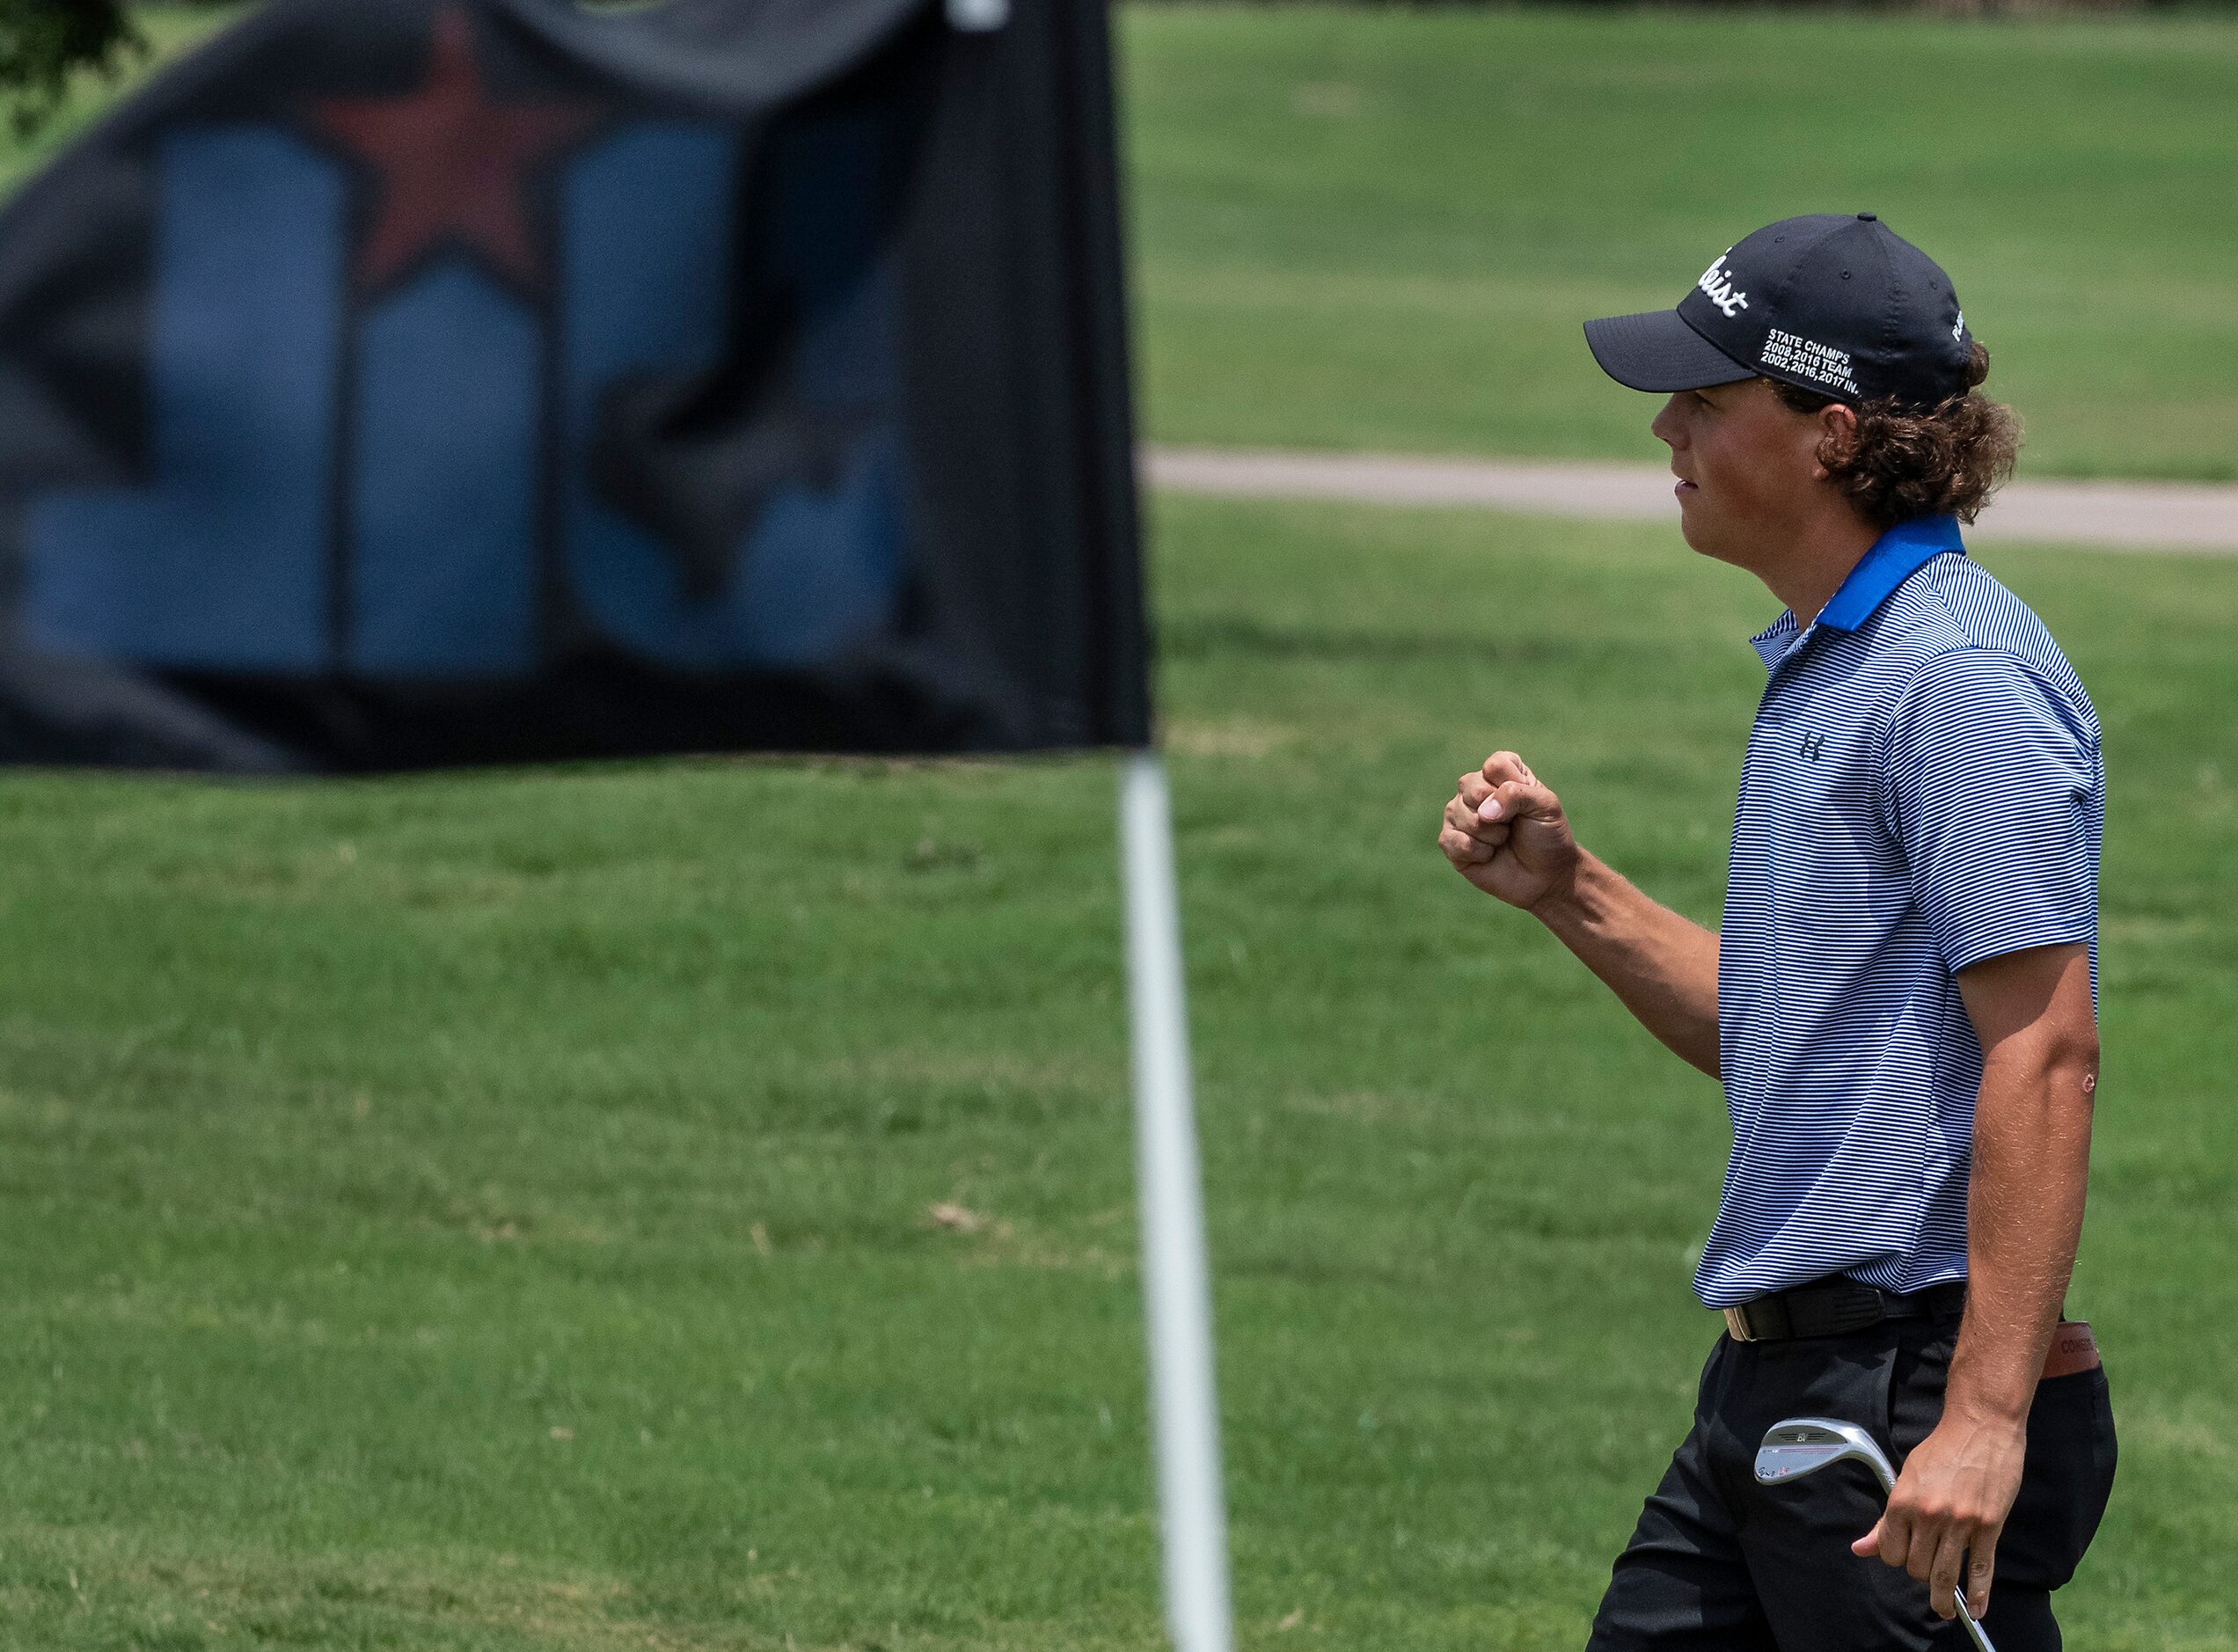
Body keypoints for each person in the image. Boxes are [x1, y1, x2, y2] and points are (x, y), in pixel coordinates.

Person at [1437, 214, 2117, 1650]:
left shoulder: (1957, 678)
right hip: (1775, 1390)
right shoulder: (1838, 659)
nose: (1667, 428)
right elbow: (1785, 1034)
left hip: (1900, 1399)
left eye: (1709, 395)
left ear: (1831, 431)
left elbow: (2046, 1050)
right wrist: (1572, 890)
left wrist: (1986, 1421)